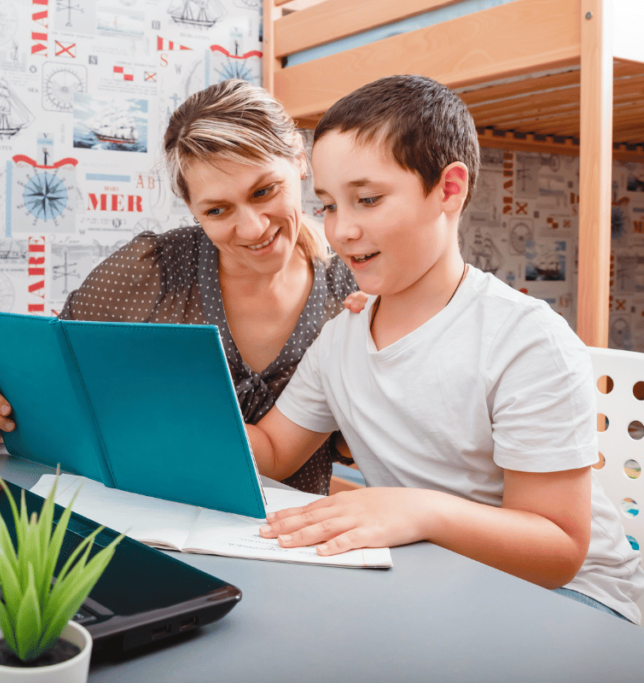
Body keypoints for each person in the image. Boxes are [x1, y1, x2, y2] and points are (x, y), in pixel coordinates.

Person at [247, 74, 644, 622]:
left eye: (367, 199)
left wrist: (419, 511)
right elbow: (271, 450)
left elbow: (558, 550)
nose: (342, 230)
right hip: (439, 569)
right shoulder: (341, 336)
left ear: (448, 190)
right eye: (329, 206)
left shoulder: (525, 339)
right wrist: (170, 420)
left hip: (577, 599)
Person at [0, 79, 365, 495]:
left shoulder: (354, 288)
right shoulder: (150, 271)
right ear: (191, 208)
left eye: (264, 191)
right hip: (147, 525)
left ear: (299, 159)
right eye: (217, 209)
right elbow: (53, 387)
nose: (252, 227)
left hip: (294, 544)